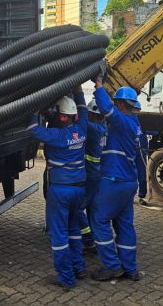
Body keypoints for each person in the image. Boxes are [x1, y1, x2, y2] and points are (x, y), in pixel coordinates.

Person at [27, 86, 88, 290]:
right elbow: (83, 109)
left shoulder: (56, 136)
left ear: (61, 117)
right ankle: (79, 268)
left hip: (60, 190)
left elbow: (33, 129)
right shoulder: (82, 129)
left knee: (59, 234)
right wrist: (79, 92)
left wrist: (35, 112)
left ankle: (66, 278)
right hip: (79, 188)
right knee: (74, 229)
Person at [90, 76, 142, 281]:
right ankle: (130, 268)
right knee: (124, 224)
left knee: (99, 220)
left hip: (114, 180)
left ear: (120, 104)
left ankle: (112, 265)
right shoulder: (135, 124)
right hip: (128, 182)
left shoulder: (121, 122)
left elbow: (105, 108)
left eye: (117, 102)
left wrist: (99, 86)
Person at [78, 99, 107, 249]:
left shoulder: (93, 129)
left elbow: (80, 120)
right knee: (91, 207)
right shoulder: (103, 127)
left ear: (93, 115)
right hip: (97, 175)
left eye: (89, 114)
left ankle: (88, 238)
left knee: (77, 208)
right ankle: (95, 236)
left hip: (89, 175)